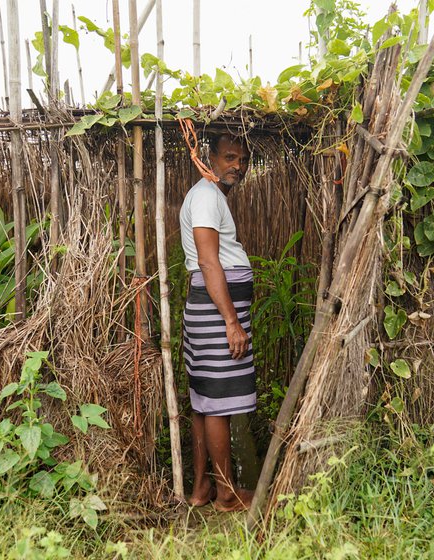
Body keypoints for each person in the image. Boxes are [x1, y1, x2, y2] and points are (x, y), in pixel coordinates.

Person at [179, 131, 255, 512]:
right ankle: (226, 495)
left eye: (241, 160)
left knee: (205, 403)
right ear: (208, 156)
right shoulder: (207, 197)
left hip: (210, 310)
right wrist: (231, 321)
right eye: (229, 157)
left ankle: (201, 489)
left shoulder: (205, 196)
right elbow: (210, 263)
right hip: (216, 313)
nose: (237, 167)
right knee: (219, 404)